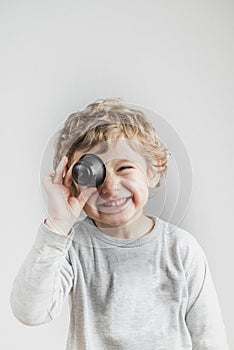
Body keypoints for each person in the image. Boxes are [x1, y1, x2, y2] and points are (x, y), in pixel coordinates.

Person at [10, 98, 229, 350]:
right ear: (71, 182)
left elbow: (209, 338)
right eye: (92, 174)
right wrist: (58, 225)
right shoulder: (73, 247)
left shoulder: (180, 249)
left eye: (124, 167)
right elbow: (29, 311)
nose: (109, 188)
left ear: (153, 170)